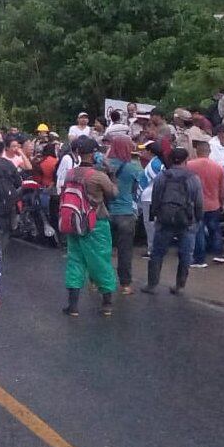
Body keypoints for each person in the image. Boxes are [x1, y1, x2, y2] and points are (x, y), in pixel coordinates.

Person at [61, 137, 119, 316]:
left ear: (77, 152)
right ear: (94, 153)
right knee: (100, 261)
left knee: (75, 261)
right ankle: (107, 304)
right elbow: (113, 194)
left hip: (73, 222)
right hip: (96, 223)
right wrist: (111, 174)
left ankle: (73, 306)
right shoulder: (98, 176)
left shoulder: (70, 173)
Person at [143, 148, 204, 295]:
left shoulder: (161, 177)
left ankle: (152, 284)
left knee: (157, 253)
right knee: (185, 255)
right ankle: (179, 286)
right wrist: (197, 219)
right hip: (186, 221)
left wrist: (156, 215)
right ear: (186, 160)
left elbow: (155, 198)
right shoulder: (193, 178)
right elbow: (199, 201)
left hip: (165, 221)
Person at [106, 135, 143, 294]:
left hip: (105, 212)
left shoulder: (103, 166)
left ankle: (97, 280)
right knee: (125, 251)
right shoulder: (133, 167)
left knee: (103, 249)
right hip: (126, 213)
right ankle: (125, 285)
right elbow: (138, 188)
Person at [189, 139, 224, 266]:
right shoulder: (218, 168)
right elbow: (223, 188)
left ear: (197, 151)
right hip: (213, 203)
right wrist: (222, 202)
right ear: (209, 151)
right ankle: (218, 254)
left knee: (198, 230)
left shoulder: (189, 166)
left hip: (195, 204)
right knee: (215, 229)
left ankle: (199, 259)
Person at [137, 141, 166, 256]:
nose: (142, 151)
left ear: (150, 151)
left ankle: (152, 249)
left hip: (150, 199)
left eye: (144, 149)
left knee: (150, 225)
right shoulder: (157, 163)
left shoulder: (154, 165)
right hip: (153, 199)